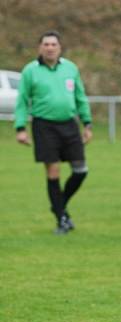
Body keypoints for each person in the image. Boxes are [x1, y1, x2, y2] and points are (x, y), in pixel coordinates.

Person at [14, 30, 93, 235]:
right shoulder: (30, 71)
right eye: (46, 44)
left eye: (53, 44)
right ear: (40, 47)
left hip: (69, 124)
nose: (50, 47)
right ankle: (61, 220)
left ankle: (58, 205)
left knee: (81, 170)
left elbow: (80, 96)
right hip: (44, 126)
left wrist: (87, 123)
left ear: (59, 48)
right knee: (53, 172)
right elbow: (22, 101)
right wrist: (21, 128)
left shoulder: (70, 68)